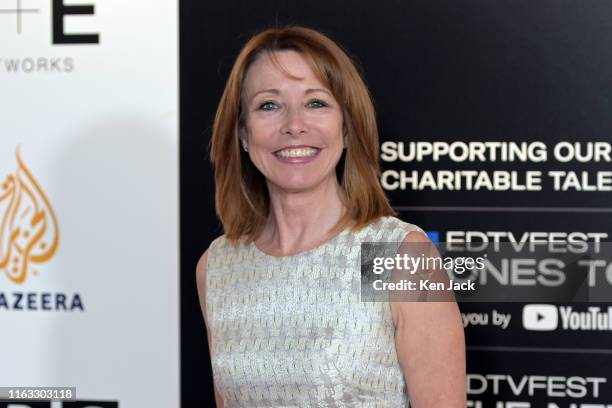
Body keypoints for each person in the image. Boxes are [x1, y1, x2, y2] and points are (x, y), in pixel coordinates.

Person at [196, 25, 466, 407]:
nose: (293, 125)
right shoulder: (219, 266)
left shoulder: (396, 255)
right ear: (242, 132)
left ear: (347, 126)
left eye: (316, 103)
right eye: (268, 105)